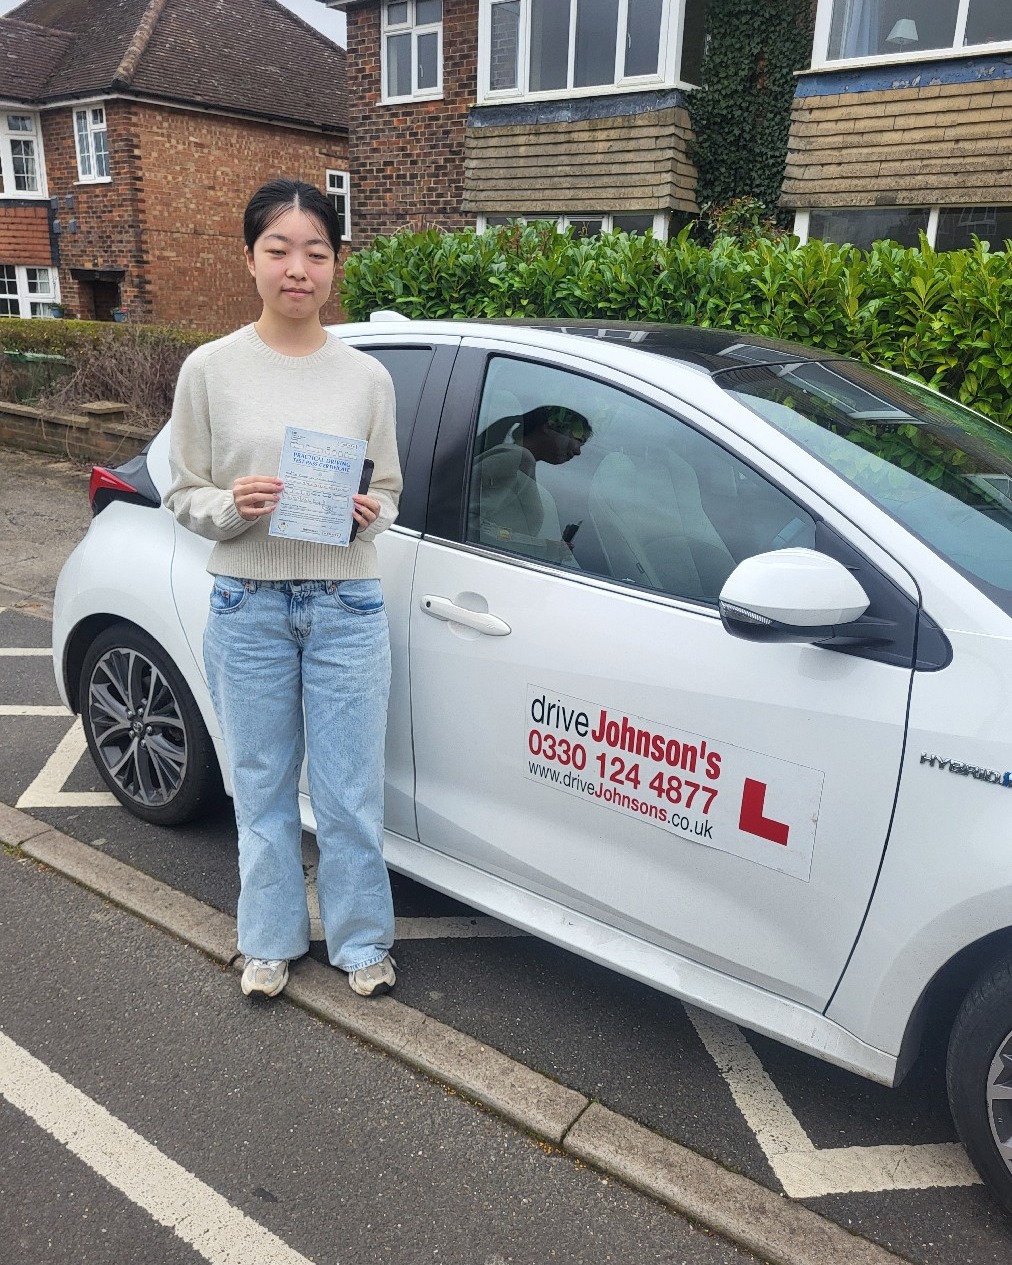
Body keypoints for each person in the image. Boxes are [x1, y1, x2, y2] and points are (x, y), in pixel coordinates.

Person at [164, 178, 402, 1001]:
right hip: (247, 604)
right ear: (251, 260)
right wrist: (233, 505)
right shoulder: (210, 369)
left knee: (348, 791)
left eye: (316, 251)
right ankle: (267, 937)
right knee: (261, 785)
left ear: (336, 264)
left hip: (346, 607)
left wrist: (369, 514)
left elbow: (392, 488)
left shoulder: (368, 377)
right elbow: (181, 489)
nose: (298, 268)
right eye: (279, 250)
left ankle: (362, 938)